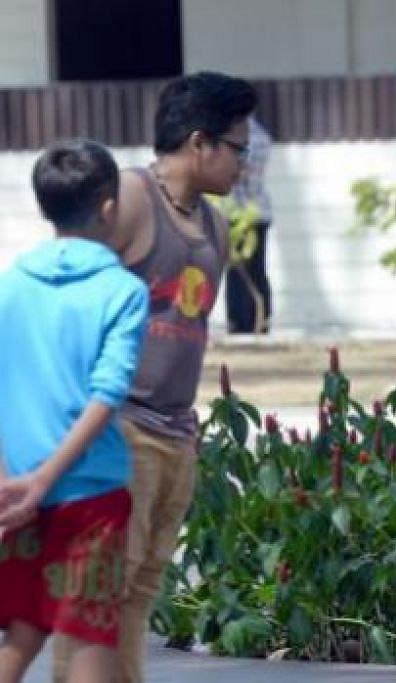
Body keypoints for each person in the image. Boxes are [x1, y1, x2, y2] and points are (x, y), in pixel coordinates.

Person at [51, 72, 257, 683]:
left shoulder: (215, 225)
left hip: (175, 434)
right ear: (201, 143)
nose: (244, 163)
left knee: (137, 595)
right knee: (98, 595)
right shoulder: (132, 199)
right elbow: (68, 296)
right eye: (238, 148)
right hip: (120, 429)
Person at [0, 140, 149, 683]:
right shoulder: (121, 291)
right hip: (89, 494)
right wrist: (46, 480)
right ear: (108, 206)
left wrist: (14, 479)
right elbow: (106, 396)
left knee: (23, 629)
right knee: (89, 635)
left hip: (14, 497)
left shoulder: (8, 287)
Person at [223, 116, 274, 334]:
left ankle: (240, 324)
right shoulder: (262, 135)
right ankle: (261, 323)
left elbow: (238, 172)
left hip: (238, 211)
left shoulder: (237, 137)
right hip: (259, 210)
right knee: (256, 271)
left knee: (237, 272)